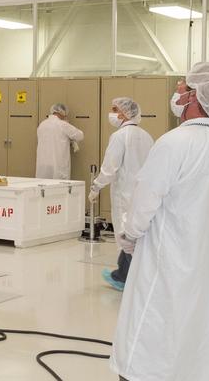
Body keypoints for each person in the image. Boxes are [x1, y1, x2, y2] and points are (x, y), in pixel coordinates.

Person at [111, 62, 209, 381]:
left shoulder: (174, 143)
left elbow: (145, 202)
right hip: (205, 266)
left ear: (194, 97)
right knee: (191, 337)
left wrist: (128, 236)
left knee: (149, 335)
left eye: (182, 88)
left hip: (166, 263)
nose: (176, 93)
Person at [89, 97, 153, 292]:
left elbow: (110, 168)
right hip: (143, 195)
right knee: (137, 237)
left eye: (115, 109)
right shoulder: (146, 136)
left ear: (125, 113)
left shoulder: (120, 136)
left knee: (125, 237)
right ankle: (126, 274)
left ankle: (126, 277)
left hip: (125, 195)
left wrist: (96, 187)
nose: (112, 113)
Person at [36, 103, 84, 180]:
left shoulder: (42, 124)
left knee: (43, 188)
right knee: (58, 190)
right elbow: (80, 135)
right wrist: (67, 124)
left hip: (43, 165)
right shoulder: (62, 124)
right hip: (58, 165)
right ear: (62, 112)